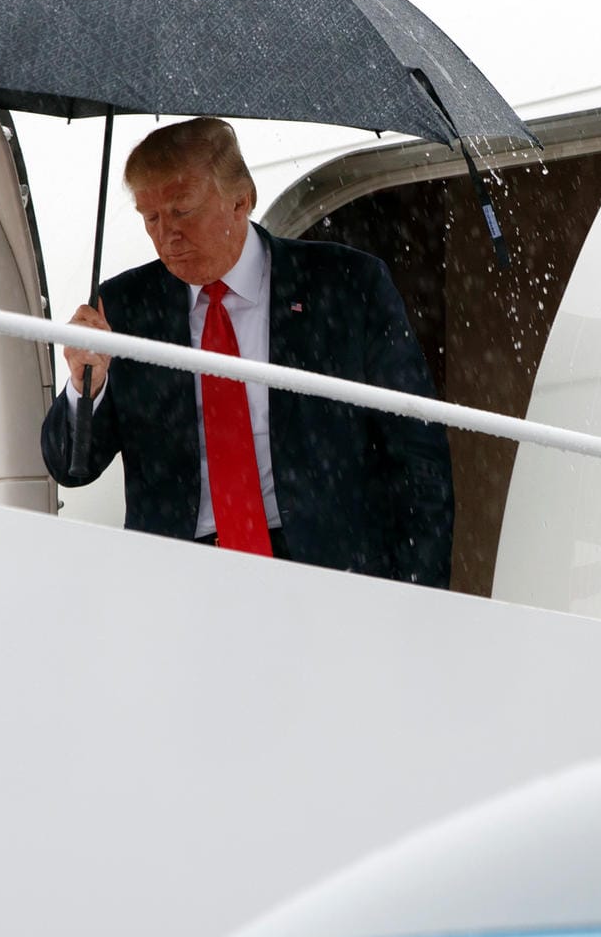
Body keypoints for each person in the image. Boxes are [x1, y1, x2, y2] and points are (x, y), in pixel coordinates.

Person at [40, 117, 453, 587]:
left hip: (331, 570)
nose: (165, 235)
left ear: (241, 201)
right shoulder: (127, 307)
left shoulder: (344, 284)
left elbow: (418, 449)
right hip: (181, 580)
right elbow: (70, 467)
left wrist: (424, 592)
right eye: (149, 217)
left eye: (182, 210)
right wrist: (83, 384)